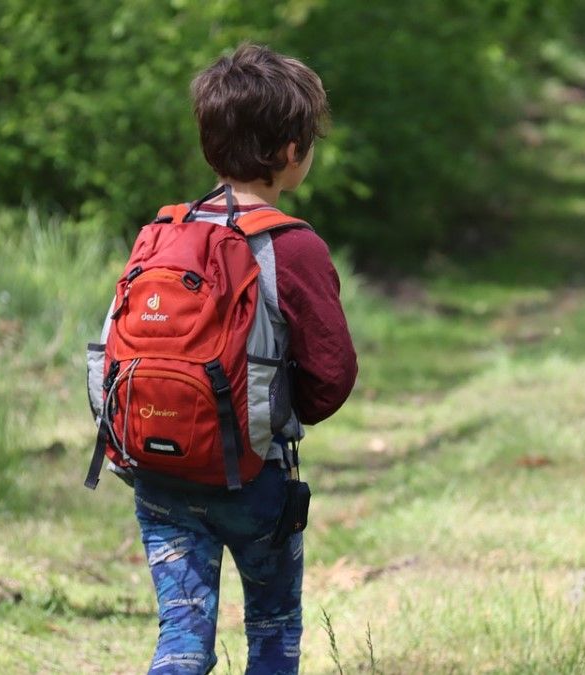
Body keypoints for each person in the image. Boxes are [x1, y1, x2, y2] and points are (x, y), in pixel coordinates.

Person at [129, 44, 357, 674]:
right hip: (255, 477)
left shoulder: (164, 233)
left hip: (159, 471)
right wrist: (273, 412)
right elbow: (332, 375)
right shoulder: (293, 246)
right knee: (274, 631)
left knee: (181, 637)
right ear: (291, 153)